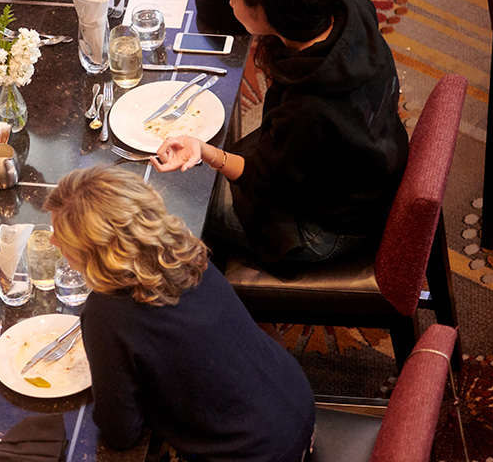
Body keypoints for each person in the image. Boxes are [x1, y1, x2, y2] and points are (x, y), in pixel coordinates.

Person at [153, 0, 409, 268]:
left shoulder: (306, 109)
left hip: (329, 228)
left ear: (263, 12)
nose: (228, 2)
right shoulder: (348, 4)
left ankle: (233, 302)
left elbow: (263, 181)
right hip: (368, 164)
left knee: (178, 210)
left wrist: (205, 151)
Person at [44, 166, 315, 461]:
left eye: (60, 235)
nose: (52, 241)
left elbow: (121, 432)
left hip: (253, 453)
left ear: (92, 251)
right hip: (295, 403)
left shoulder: (106, 312)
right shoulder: (183, 250)